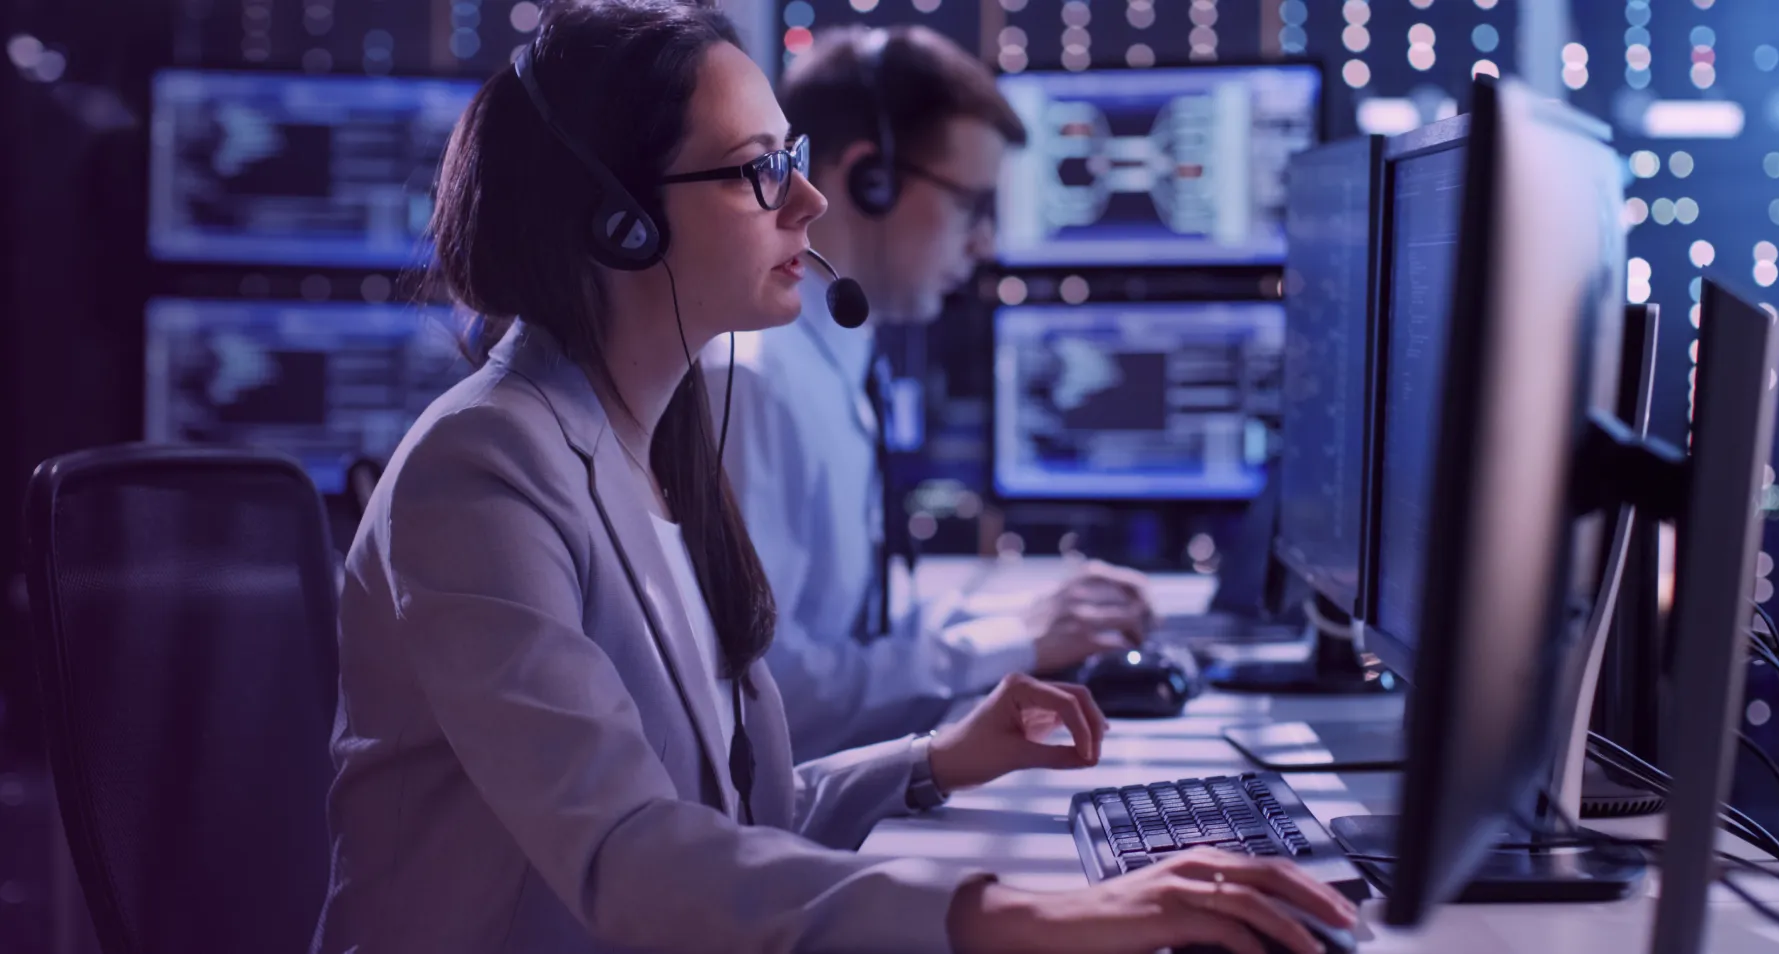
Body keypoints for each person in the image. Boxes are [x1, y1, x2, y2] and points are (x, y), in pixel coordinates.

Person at [311, 2, 1356, 951]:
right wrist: (1035, 914)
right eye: (758, 167)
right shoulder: (481, 470)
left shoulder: (659, 440)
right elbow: (630, 855)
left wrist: (934, 760)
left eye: (795, 157)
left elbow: (727, 812)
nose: (807, 200)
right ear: (619, 221)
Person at [707, 24, 1156, 762]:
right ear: (869, 180)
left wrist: (1028, 619)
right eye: (972, 205)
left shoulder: (839, 361)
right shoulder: (751, 383)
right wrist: (1017, 639)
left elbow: (855, 629)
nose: (984, 245)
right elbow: (769, 698)